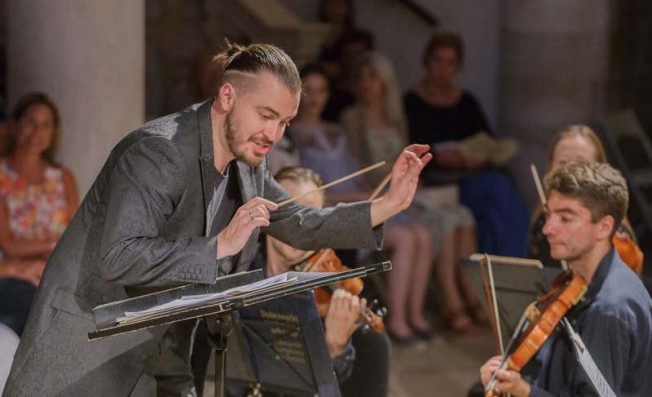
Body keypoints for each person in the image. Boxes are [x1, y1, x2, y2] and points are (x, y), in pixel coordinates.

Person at [4, 42, 431, 396]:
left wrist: (386, 205)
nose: (273, 135)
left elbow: (298, 221)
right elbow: (118, 256)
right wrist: (220, 245)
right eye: (266, 115)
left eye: (284, 122)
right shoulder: (158, 151)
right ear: (227, 97)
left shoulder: (249, 159)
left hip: (161, 358)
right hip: (86, 352)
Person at [479, 162, 652, 396]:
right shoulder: (578, 282)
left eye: (566, 218)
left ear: (604, 227)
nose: (548, 228)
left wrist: (525, 391)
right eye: (549, 215)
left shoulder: (608, 309)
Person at [291, 64, 435, 342]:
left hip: (362, 203)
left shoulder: (336, 130)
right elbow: (310, 195)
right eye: (309, 90)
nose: (315, 97)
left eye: (322, 90)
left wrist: (372, 191)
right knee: (406, 238)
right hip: (334, 213)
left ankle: (415, 315)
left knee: (423, 234)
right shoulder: (290, 135)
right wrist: (358, 197)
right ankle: (398, 320)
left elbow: (356, 175)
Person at [342, 52, 483, 333]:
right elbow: (356, 166)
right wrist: (393, 177)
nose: (367, 84)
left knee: (463, 215)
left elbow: (408, 159)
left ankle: (467, 298)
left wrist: (409, 176)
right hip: (379, 192)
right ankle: (449, 305)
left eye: (373, 77)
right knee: (441, 223)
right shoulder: (352, 118)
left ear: (385, 82)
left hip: (403, 188)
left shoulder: (396, 118)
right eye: (362, 78)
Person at [263, 167, 390, 396]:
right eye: (291, 213)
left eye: (312, 218)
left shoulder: (331, 300)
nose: (300, 226)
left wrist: (334, 349)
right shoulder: (239, 270)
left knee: (372, 342)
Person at [404, 31, 529, 257]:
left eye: (450, 62)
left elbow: (487, 139)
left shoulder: (466, 100)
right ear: (427, 61)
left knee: (504, 197)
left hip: (474, 171)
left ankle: (508, 262)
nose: (442, 68)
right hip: (441, 178)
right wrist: (442, 157)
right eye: (437, 60)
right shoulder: (411, 102)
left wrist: (477, 156)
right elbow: (410, 147)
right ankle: (498, 263)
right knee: (496, 192)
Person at [0, 92, 78, 337]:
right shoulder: (2, 176)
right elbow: (9, 245)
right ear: (15, 125)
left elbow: (75, 235)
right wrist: (53, 245)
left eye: (46, 125)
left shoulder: (63, 177)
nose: (37, 132)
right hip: (17, 273)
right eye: (31, 122)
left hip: (57, 269)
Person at [528, 124, 644, 273]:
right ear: (550, 168)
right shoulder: (541, 223)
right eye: (562, 163)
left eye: (582, 164)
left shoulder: (614, 234)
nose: (570, 172)